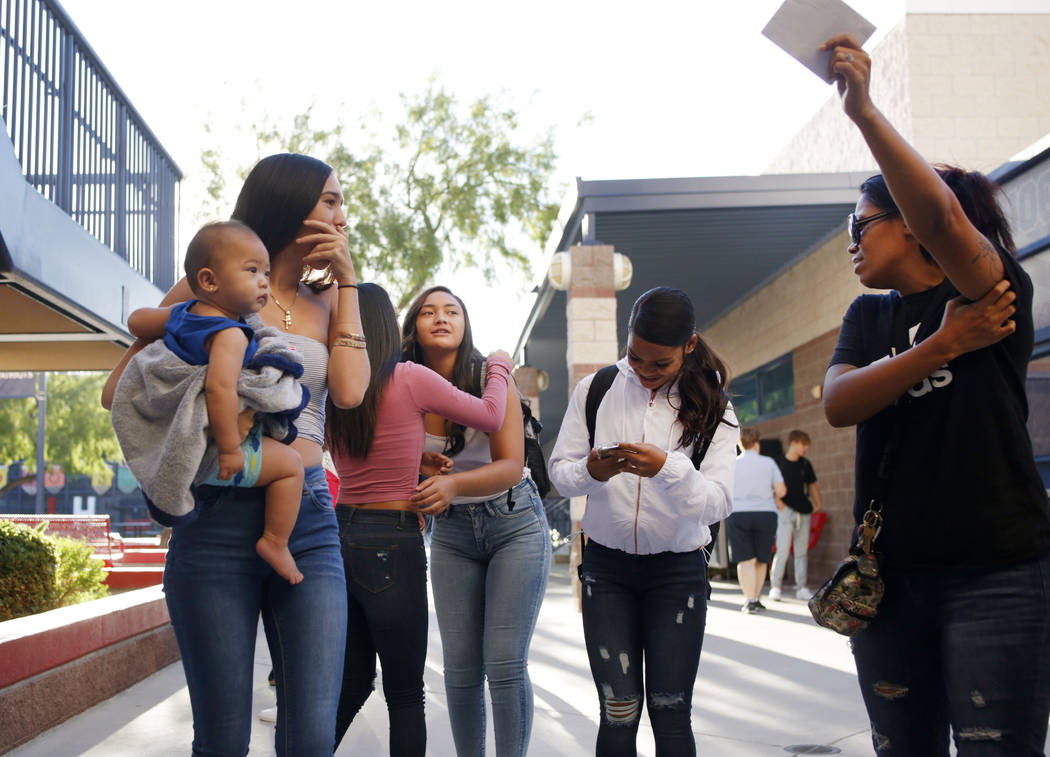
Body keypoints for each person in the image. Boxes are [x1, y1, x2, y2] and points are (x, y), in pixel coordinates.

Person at [821, 35, 1050, 755]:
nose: (852, 242)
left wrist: (862, 112)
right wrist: (943, 345)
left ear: (910, 227)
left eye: (862, 224)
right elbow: (839, 402)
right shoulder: (870, 316)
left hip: (997, 577)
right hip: (890, 584)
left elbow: (946, 221)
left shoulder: (993, 288)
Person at [103, 153, 369, 755]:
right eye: (329, 200)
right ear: (289, 206)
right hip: (215, 519)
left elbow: (350, 391)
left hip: (306, 522)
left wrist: (348, 283)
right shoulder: (212, 287)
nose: (341, 215)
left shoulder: (328, 304)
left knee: (311, 739)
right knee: (222, 740)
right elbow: (119, 390)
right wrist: (224, 392)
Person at [548, 286, 738, 757]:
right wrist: (590, 471)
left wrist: (668, 468)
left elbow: (718, 502)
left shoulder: (715, 406)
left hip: (677, 573)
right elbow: (559, 474)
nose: (645, 372)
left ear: (688, 347)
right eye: (635, 357)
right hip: (606, 571)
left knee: (671, 711)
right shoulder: (595, 390)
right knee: (618, 711)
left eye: (660, 364)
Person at [326, 282, 513, 756]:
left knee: (350, 681)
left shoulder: (332, 383)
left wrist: (416, 463)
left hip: (339, 535)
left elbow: (364, 453)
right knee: (405, 693)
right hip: (392, 541)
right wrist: (500, 366)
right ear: (390, 326)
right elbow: (491, 415)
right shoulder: (409, 377)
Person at [400, 285, 551, 757]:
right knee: (461, 671)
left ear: (466, 325)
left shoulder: (490, 375)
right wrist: (420, 468)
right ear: (413, 329)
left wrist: (453, 486)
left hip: (515, 522)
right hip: (452, 533)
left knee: (504, 664)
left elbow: (510, 463)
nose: (441, 318)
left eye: (452, 311)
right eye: (428, 312)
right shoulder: (401, 382)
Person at [116, 221, 306, 584]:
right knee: (292, 467)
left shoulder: (184, 315)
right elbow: (220, 389)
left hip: (189, 446)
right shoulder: (231, 334)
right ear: (209, 281)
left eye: (265, 272)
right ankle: (275, 541)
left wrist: (167, 318)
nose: (264, 281)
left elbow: (137, 321)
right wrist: (232, 449)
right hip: (218, 451)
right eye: (252, 271)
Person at [728, 427, 784, 613]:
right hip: (765, 514)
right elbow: (782, 490)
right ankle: (757, 598)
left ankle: (749, 600)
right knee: (761, 559)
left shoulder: (732, 463)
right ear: (757, 444)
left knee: (745, 561)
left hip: (739, 513)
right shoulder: (769, 463)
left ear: (740, 444)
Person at [769, 429, 821, 601]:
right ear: (794, 443)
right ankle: (776, 587)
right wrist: (778, 502)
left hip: (804, 511)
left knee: (801, 551)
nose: (806, 448)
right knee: (782, 549)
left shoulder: (805, 464)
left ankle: (801, 587)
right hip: (786, 510)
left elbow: (812, 486)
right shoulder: (778, 462)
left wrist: (818, 504)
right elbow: (771, 485)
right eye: (803, 444)